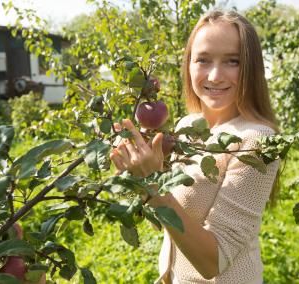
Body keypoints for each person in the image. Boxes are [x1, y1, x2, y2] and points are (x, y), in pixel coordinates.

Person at [109, 10, 280, 284]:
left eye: (232, 61)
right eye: (203, 59)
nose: (214, 75)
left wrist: (151, 184)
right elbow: (166, 220)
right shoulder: (190, 128)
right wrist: (136, 176)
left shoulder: (257, 141)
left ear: (252, 67)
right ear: (188, 64)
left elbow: (213, 262)